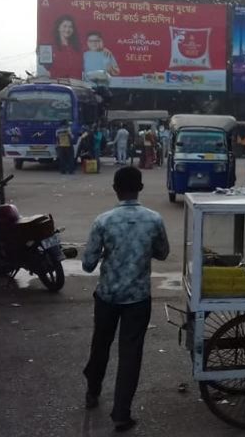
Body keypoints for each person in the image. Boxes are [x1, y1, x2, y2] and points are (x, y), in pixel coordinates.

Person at [82, 166, 169, 432]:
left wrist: (108, 253)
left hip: (107, 296)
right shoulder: (154, 219)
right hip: (138, 298)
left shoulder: (103, 221)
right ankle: (121, 413)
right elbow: (163, 253)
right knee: (130, 354)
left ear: (115, 189)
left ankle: (93, 390)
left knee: (100, 344)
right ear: (140, 188)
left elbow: (87, 264)